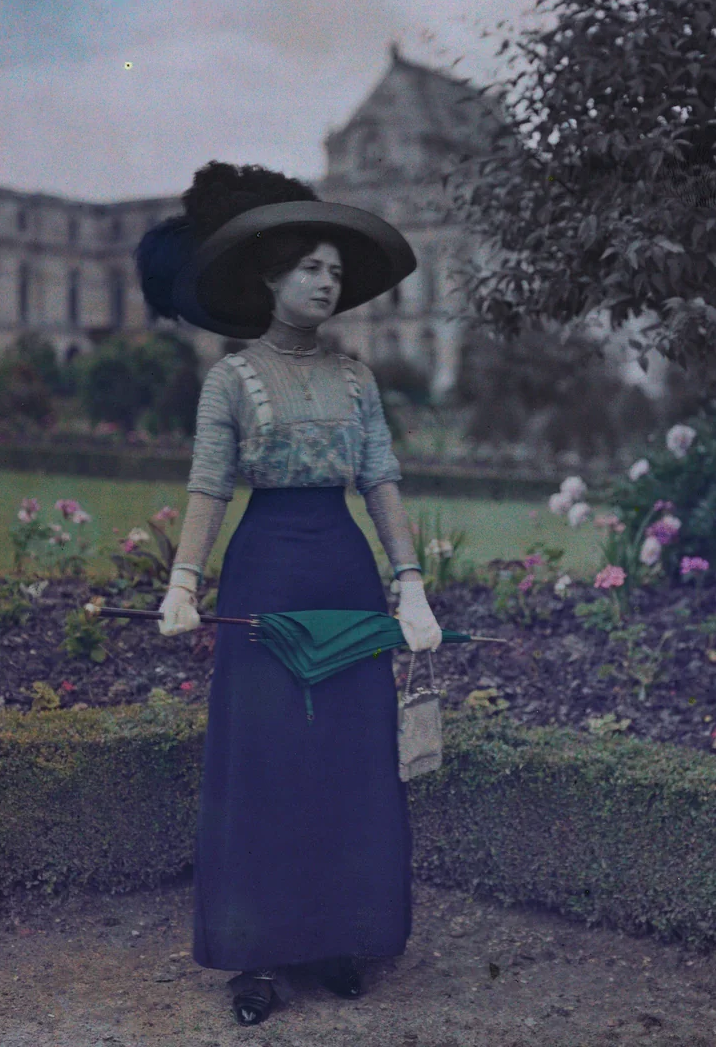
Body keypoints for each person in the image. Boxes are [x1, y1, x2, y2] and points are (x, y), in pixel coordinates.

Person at [134, 161, 443, 1027]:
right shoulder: (231, 380)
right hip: (264, 572)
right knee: (266, 764)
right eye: (309, 266)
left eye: (335, 271)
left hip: (343, 575)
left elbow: (380, 481)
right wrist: (184, 581)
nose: (325, 281)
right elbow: (208, 486)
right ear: (269, 278)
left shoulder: (356, 380)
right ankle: (260, 955)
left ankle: (338, 938)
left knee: (344, 761)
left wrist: (409, 587)